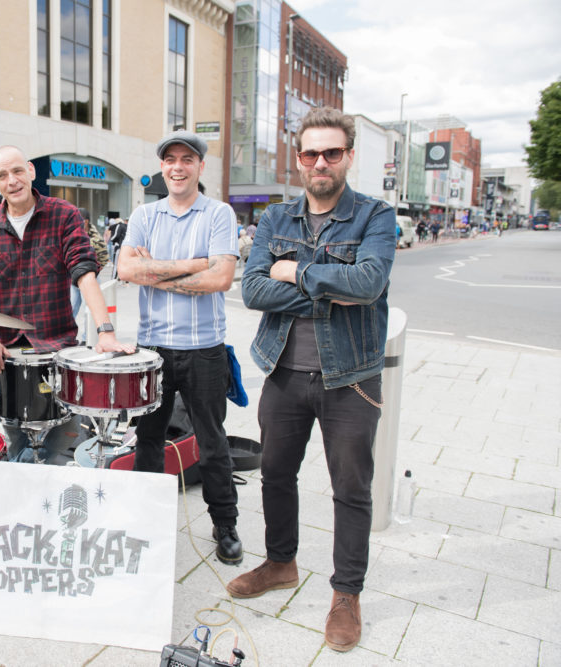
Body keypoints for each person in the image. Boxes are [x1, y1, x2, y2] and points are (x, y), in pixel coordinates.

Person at [232, 107, 395, 653]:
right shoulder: (277, 220)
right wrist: (332, 285)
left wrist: (297, 271)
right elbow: (253, 290)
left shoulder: (375, 215)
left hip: (350, 376)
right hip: (282, 369)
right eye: (310, 154)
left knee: (351, 489)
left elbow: (369, 283)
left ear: (349, 156)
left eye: (331, 153)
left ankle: (345, 594)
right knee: (275, 473)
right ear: (298, 160)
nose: (319, 163)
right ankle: (281, 562)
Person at [117, 130, 243, 566]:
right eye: (169, 159)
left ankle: (225, 523)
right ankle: (144, 517)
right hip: (153, 348)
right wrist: (194, 264)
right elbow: (126, 270)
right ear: (162, 167)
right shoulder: (144, 215)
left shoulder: (219, 214)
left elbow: (220, 279)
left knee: (212, 442)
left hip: (205, 348)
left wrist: (156, 270)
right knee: (148, 438)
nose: (177, 166)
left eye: (186, 159)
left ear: (199, 167)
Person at [0, 145, 133, 462]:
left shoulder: (64, 215)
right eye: (2, 175)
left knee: (64, 445)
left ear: (30, 171)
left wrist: (106, 332)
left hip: (58, 346)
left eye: (17, 171)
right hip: (9, 355)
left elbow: (85, 274)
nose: (12, 180)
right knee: (15, 444)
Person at [70, 207, 109, 340]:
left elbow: (104, 258)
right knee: (70, 310)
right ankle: (67, 337)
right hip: (73, 281)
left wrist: (94, 272)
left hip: (90, 280)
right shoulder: (71, 232)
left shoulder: (96, 238)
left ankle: (87, 338)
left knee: (89, 311)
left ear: (85, 221)